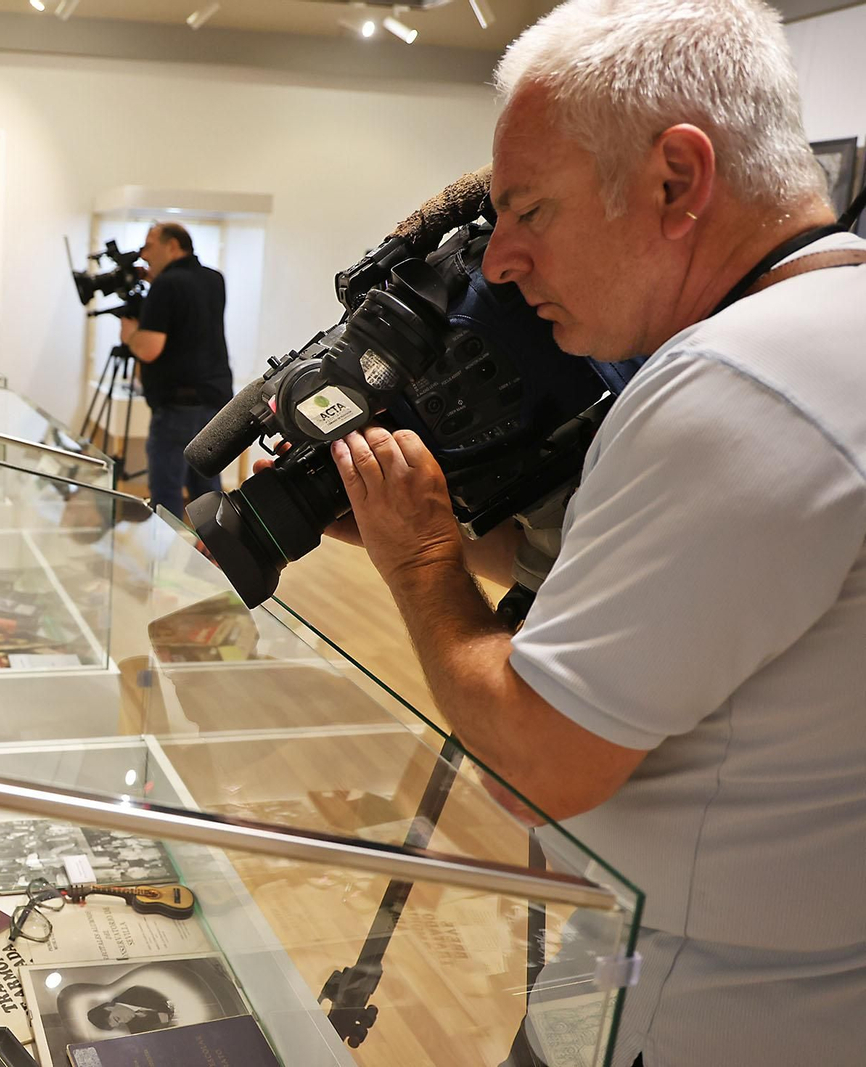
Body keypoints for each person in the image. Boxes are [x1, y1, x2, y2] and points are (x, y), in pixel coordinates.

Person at [311, 0, 866, 1063]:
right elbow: (677, 608)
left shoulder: (737, 387)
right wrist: (413, 531)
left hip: (698, 1012)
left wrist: (423, 562)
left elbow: (537, 759)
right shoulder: (821, 341)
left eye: (529, 212)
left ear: (675, 180)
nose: (502, 261)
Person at [118, 222, 232, 518]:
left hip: (177, 406)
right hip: (215, 402)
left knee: (166, 494)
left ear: (172, 246)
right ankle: (214, 557)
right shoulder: (213, 279)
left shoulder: (167, 286)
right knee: (207, 491)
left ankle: (164, 560)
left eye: (149, 245)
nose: (143, 254)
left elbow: (149, 348)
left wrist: (130, 334)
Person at [84, 985, 173, 1034]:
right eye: (119, 1023)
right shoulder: (136, 1029)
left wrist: (164, 1020)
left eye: (117, 1018)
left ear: (109, 1008)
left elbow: (166, 996)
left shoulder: (135, 991)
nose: (124, 1021)